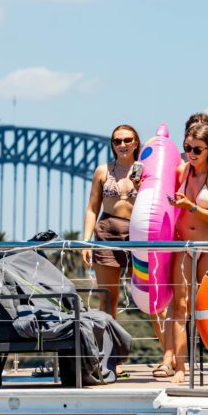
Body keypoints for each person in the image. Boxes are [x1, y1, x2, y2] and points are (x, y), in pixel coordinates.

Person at [167, 121, 208, 384]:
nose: (191, 154)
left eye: (196, 150)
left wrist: (190, 206)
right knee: (181, 306)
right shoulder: (183, 170)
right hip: (185, 243)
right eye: (187, 148)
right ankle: (181, 367)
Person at [82, 124, 140, 318]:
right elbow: (92, 208)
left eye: (127, 140)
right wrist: (86, 242)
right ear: (112, 145)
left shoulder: (146, 170)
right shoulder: (103, 171)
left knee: (147, 295)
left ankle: (169, 348)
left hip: (138, 234)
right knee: (108, 298)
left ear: (135, 143)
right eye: (117, 141)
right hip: (107, 234)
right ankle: (109, 347)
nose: (122, 144)